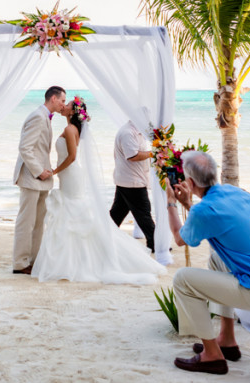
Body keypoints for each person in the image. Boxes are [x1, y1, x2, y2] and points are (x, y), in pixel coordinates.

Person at [167, 151, 250, 375]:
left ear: (190, 182)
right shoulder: (236, 193)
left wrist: (172, 203)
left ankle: (212, 355)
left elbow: (179, 238)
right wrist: (189, 203)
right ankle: (227, 339)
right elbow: (213, 219)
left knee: (182, 279)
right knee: (216, 258)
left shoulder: (204, 210)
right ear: (215, 174)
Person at [32, 97, 165, 284]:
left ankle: (80, 258)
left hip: (71, 175)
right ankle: (80, 254)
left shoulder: (70, 129)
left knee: (73, 212)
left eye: (67, 104)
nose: (64, 105)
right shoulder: (73, 128)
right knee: (76, 214)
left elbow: (71, 157)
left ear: (73, 111)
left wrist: (53, 171)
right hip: (70, 175)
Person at [12, 86, 65, 274]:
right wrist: (38, 171)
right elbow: (25, 148)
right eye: (62, 101)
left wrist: (46, 170)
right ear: (53, 98)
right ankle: (20, 263)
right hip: (31, 177)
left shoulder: (45, 117)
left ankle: (33, 261)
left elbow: (40, 149)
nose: (63, 105)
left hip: (42, 177)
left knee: (38, 222)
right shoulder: (37, 116)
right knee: (26, 222)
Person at [108, 119, 156, 252]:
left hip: (128, 179)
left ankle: (103, 237)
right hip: (131, 181)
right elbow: (133, 155)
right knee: (144, 212)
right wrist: (153, 153)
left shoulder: (137, 132)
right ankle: (155, 243)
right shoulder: (128, 133)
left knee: (116, 214)